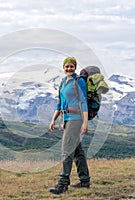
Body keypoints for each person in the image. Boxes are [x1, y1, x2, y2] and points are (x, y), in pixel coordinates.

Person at [48, 57, 90, 195]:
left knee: (67, 150)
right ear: (63, 67)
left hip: (76, 118)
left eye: (71, 66)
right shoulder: (63, 82)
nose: (69, 69)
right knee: (78, 151)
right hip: (66, 118)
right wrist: (53, 119)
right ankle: (84, 181)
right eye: (66, 66)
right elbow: (60, 103)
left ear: (75, 67)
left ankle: (63, 183)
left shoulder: (79, 81)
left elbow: (83, 102)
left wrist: (85, 122)